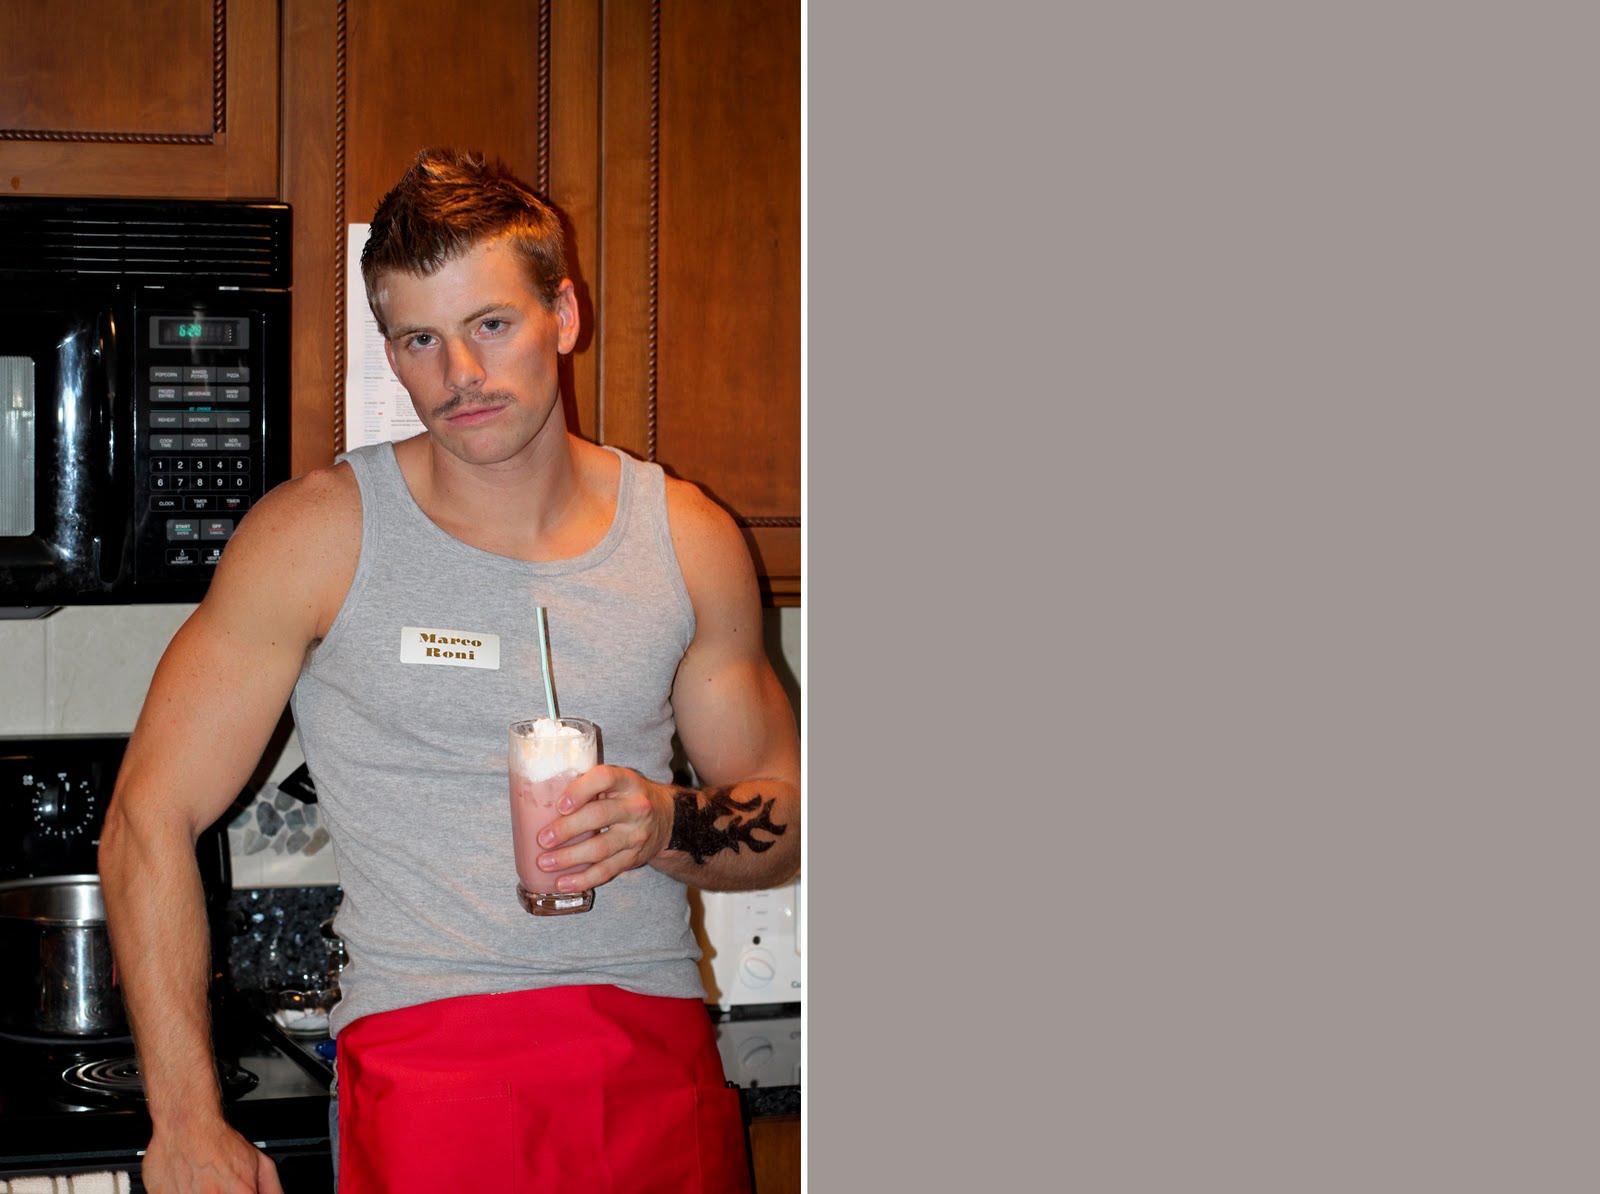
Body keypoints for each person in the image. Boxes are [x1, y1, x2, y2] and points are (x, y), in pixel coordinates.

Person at [98, 147, 801, 1193]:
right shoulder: (316, 536)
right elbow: (145, 818)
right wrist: (187, 1120)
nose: (459, 373)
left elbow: (786, 817)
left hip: (652, 1058)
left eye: (491, 324)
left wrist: (666, 824)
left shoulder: (686, 536)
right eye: (419, 339)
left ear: (563, 315)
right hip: (428, 1064)